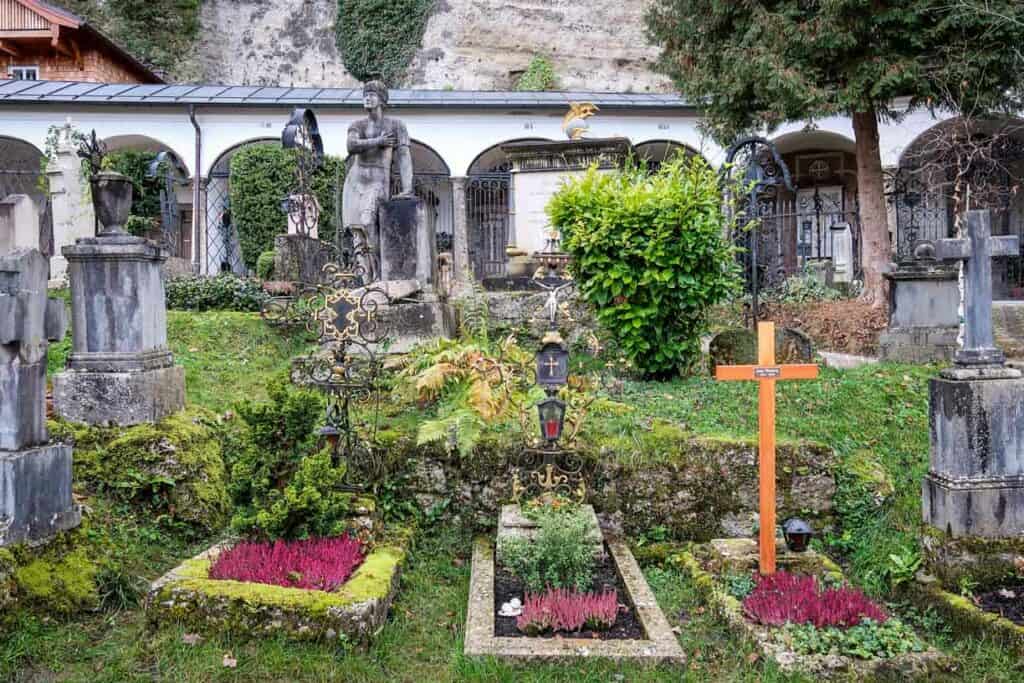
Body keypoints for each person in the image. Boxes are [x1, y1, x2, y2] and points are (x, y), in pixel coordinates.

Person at [342, 80, 413, 282]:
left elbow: (404, 157)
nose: (367, 97)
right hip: (355, 181)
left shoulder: (396, 125)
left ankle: (379, 273)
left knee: (368, 223)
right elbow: (351, 145)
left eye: (372, 94)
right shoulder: (357, 125)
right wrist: (378, 142)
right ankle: (365, 279)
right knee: (357, 232)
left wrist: (407, 188)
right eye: (365, 94)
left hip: (378, 181)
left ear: (382, 99)